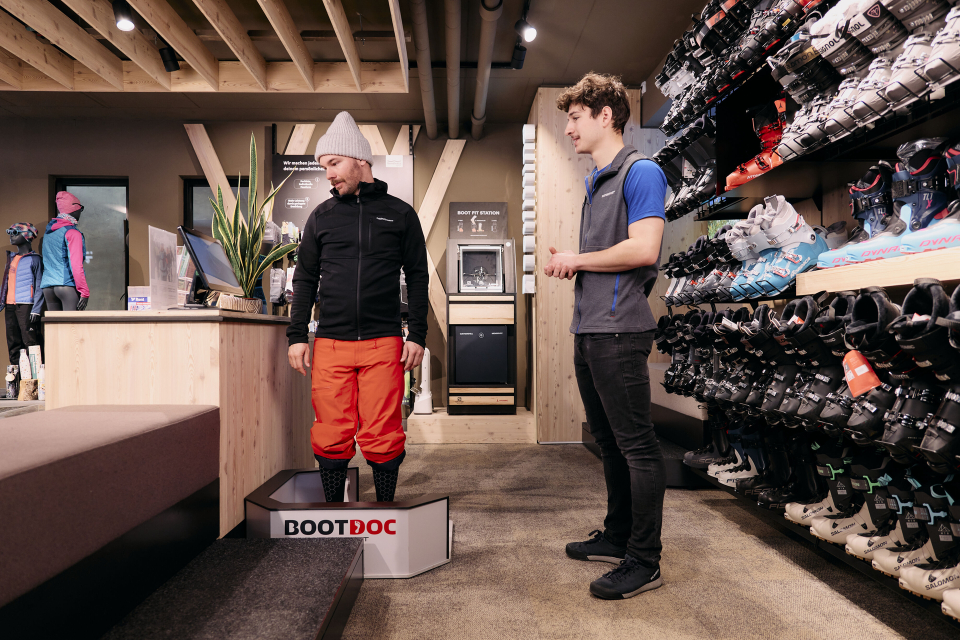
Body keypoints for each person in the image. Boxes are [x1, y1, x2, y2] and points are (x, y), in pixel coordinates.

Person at [543, 73, 668, 600]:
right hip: (589, 329)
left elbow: (644, 249)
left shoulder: (642, 172)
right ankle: (618, 536)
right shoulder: (597, 181)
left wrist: (577, 260)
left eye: (575, 117)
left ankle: (645, 559)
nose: (569, 128)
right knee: (610, 442)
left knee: (636, 445)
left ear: (605, 115)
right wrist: (577, 264)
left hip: (619, 332)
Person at [287, 111, 429, 503]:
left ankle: (385, 507)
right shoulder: (322, 217)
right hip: (331, 342)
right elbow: (304, 279)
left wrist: (417, 334)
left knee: (383, 431)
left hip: (383, 341)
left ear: (359, 160)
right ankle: (334, 509)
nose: (328, 174)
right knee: (331, 431)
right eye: (323, 167)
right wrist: (296, 336)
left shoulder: (400, 214)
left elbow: (418, 276)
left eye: (333, 163)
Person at [41, 192, 90, 311]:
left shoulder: (48, 233)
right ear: (74, 209)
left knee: (55, 324)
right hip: (66, 286)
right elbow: (76, 265)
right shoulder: (72, 233)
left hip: (48, 287)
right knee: (71, 323)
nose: (80, 212)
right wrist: (84, 291)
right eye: (80, 208)